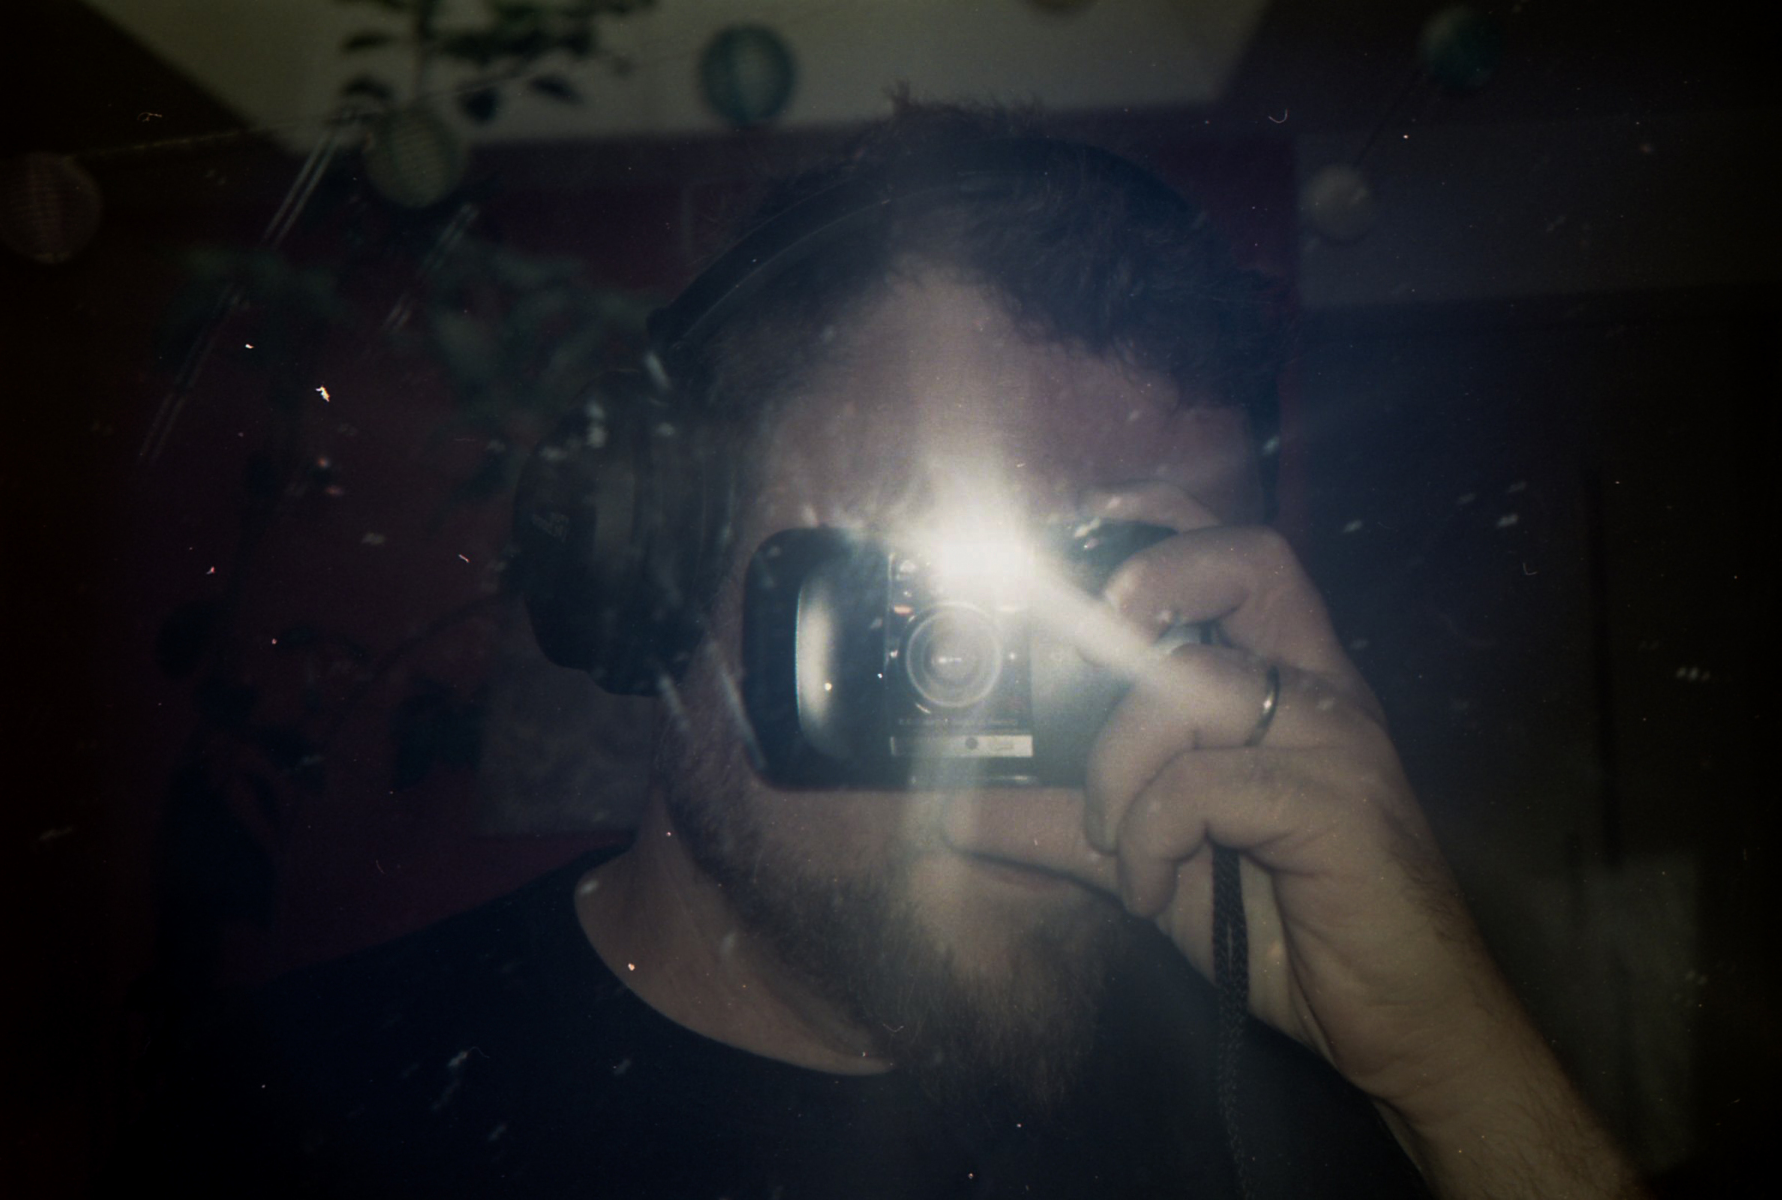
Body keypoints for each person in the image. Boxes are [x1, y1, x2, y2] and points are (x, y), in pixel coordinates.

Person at [119, 103, 1646, 1199]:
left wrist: (1459, 1066)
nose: (1024, 727)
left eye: (1128, 601)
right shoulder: (298, 1118)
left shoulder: (1303, 1103)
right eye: (919, 598)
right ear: (661, 570)